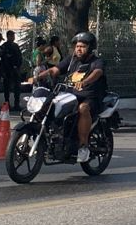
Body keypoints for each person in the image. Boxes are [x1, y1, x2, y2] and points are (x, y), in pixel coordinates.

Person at [32, 32, 107, 163]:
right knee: (50, 104)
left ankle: (83, 147)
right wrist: (37, 77)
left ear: (90, 48)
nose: (79, 49)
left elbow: (97, 72)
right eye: (77, 46)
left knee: (83, 108)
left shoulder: (97, 61)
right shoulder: (71, 60)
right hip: (71, 94)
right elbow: (54, 70)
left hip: (90, 97)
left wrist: (85, 82)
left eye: (82, 46)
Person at [0, 29, 25, 110]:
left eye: (13, 36)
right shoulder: (4, 46)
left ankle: (16, 104)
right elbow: (3, 58)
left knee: (17, 88)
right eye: (11, 36)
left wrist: (18, 66)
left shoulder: (16, 45)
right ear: (8, 36)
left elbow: (19, 57)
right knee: (7, 88)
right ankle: (7, 104)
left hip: (16, 70)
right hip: (7, 70)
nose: (13, 37)